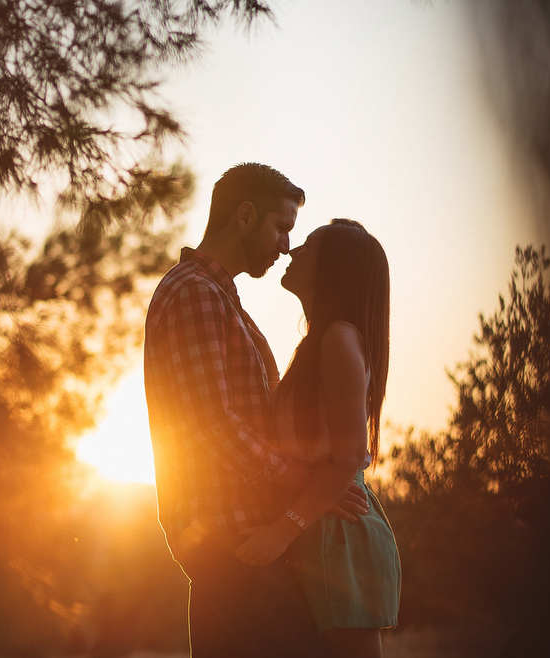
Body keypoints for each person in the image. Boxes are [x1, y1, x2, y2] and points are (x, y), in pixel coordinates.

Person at [144, 164, 369, 658]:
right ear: (245, 216)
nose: (286, 245)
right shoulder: (196, 294)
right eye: (281, 227)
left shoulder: (222, 300)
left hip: (246, 549)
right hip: (233, 549)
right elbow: (212, 425)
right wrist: (307, 487)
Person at [235, 219, 402, 658]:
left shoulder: (339, 338)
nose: (292, 251)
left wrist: (280, 531)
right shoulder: (319, 342)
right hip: (320, 525)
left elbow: (349, 456)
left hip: (340, 532)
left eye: (307, 246)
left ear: (332, 268)